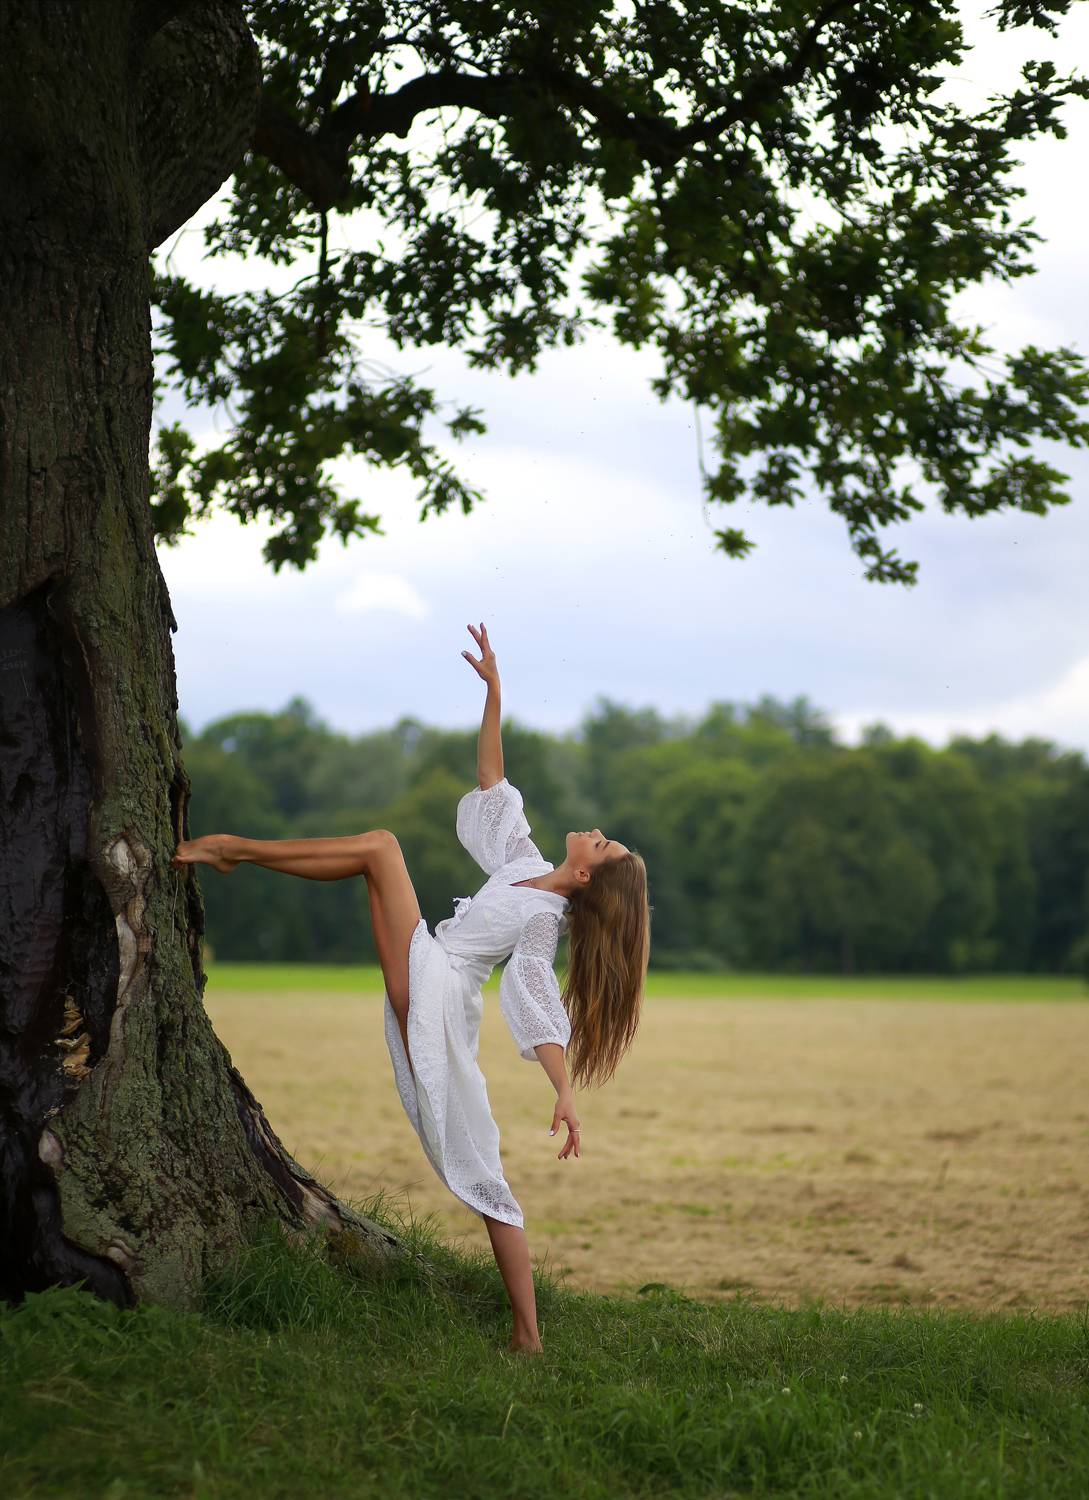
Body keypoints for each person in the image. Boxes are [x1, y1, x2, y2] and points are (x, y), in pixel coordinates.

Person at [172, 623, 650, 1353]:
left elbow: (531, 998)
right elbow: (493, 778)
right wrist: (495, 692)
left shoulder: (541, 920)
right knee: (376, 853)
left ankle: (232, 852)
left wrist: (563, 1089)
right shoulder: (520, 860)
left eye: (603, 843)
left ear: (586, 876)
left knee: (379, 848)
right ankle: (527, 1334)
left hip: (440, 989)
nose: (594, 830)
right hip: (431, 959)